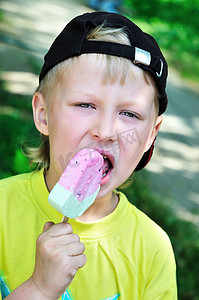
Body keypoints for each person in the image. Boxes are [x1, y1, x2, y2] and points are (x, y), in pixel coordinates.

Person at [0, 12, 177, 300]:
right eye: (85, 104)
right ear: (43, 115)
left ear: (150, 135)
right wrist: (38, 290)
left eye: (129, 113)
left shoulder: (152, 249)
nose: (105, 131)